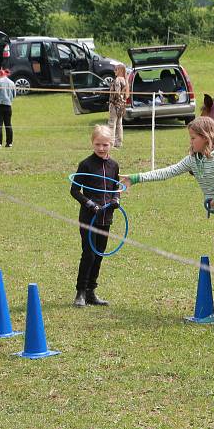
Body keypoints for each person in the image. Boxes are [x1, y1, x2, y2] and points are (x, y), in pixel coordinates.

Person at [121, 116, 214, 324]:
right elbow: (169, 171)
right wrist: (136, 178)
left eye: (193, 138)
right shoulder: (194, 159)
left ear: (206, 138)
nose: (190, 142)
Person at [70, 125, 121, 307]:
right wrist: (90, 204)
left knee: (99, 254)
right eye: (98, 144)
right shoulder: (86, 164)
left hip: (105, 218)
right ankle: (81, 292)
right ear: (92, 143)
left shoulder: (114, 165)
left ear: (111, 144)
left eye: (105, 145)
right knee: (89, 254)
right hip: (88, 218)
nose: (101, 148)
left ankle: (91, 291)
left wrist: (116, 199)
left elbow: (116, 187)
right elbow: (74, 190)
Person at [0, 68, 16, 147]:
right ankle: (9, 143)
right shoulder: (12, 83)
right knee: (8, 124)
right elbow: (14, 95)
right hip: (8, 106)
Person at [108, 64, 128, 148]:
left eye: (116, 69)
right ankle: (119, 142)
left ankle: (111, 143)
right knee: (119, 124)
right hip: (122, 105)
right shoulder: (125, 80)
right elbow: (126, 95)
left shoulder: (117, 80)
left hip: (115, 104)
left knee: (112, 124)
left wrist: (112, 102)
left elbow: (117, 93)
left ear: (119, 71)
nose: (114, 71)